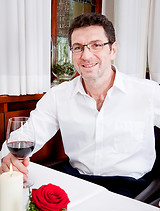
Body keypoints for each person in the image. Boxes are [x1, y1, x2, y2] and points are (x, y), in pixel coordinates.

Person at [1, 13, 160, 200]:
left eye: (96, 45)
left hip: (131, 188)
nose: (86, 55)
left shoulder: (148, 92)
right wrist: (7, 157)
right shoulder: (58, 96)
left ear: (113, 50)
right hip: (77, 181)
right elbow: (28, 135)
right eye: (78, 47)